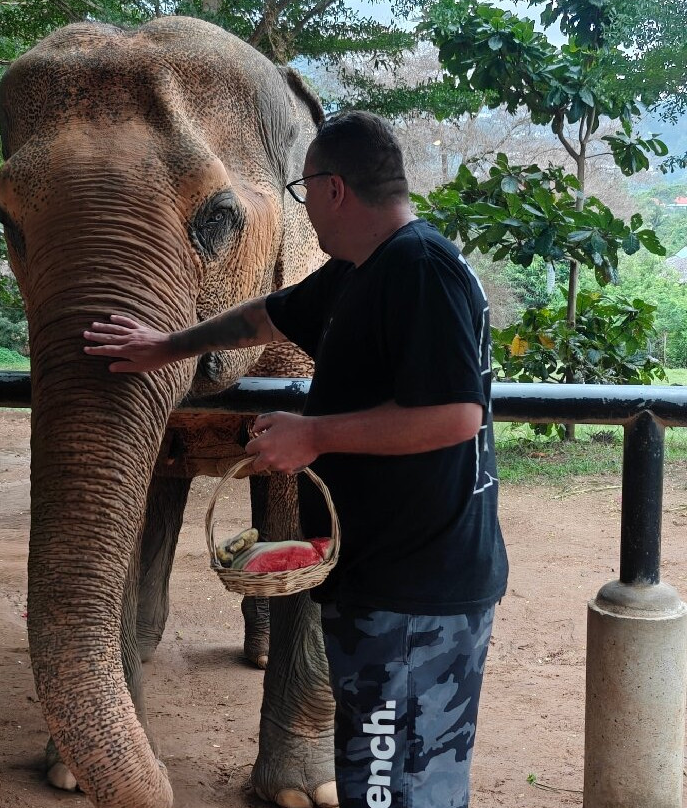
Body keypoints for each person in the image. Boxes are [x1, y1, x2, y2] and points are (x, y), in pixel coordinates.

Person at [84, 110, 508, 808]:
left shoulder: (420, 270)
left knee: (393, 786)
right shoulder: (359, 272)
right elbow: (266, 316)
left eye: (303, 188)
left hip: (418, 592)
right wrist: (167, 346)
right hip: (379, 577)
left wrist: (314, 436)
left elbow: (455, 417)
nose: (302, 204)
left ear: (334, 188)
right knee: (384, 776)